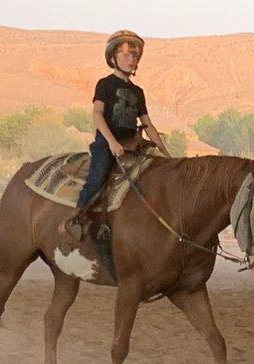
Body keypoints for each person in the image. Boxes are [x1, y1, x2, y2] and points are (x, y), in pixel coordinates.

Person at [60, 29, 171, 241]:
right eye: (126, 54)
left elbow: (147, 125)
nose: (132, 59)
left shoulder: (138, 92)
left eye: (135, 55)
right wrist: (111, 142)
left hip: (133, 142)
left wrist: (166, 153)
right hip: (108, 141)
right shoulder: (105, 84)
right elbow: (97, 114)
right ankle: (77, 218)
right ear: (113, 58)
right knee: (98, 176)